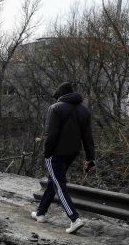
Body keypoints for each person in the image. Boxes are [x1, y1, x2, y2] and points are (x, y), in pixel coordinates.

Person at [32, 82, 95, 234]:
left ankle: (74, 219)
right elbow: (88, 137)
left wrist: (47, 152)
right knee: (54, 181)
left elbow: (51, 134)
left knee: (59, 185)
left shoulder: (55, 108)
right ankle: (40, 213)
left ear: (60, 95)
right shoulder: (84, 111)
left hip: (56, 153)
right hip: (72, 153)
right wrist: (90, 158)